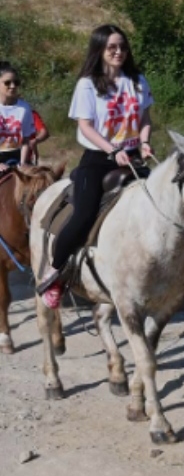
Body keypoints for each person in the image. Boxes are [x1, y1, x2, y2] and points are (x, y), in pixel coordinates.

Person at [35, 25, 154, 309]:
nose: (118, 52)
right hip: (99, 158)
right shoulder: (88, 85)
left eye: (122, 47)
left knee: (165, 202)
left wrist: (146, 142)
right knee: (84, 214)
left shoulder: (137, 80)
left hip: (134, 156)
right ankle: (56, 272)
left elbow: (146, 117)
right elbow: (86, 127)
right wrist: (112, 149)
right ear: (100, 49)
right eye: (112, 47)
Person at [0, 62, 36, 171]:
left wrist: (23, 163)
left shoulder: (24, 108)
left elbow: (25, 140)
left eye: (16, 82)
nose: (12, 86)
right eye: (7, 83)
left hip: (17, 155)